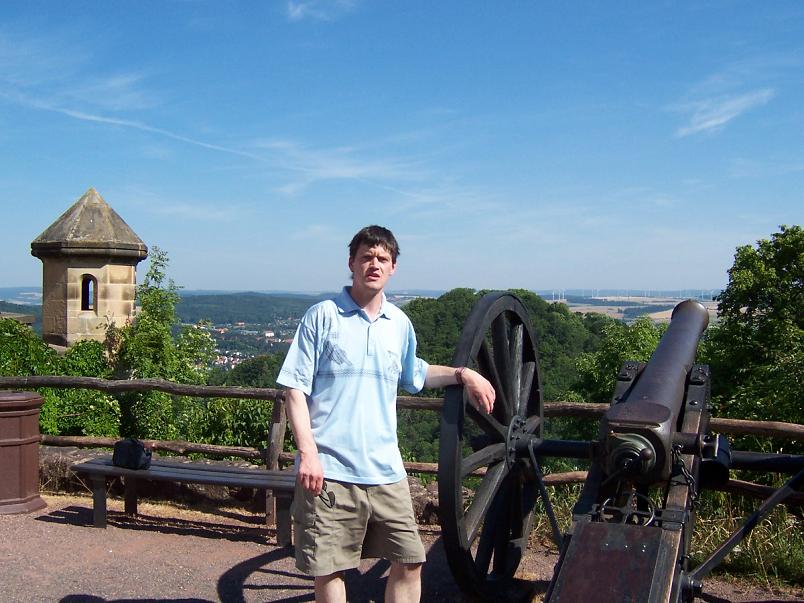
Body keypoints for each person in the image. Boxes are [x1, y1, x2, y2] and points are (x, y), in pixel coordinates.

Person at [277, 225, 495, 603]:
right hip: (329, 471)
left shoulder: (400, 325)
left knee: (410, 561)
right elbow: (295, 388)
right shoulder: (322, 316)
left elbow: (416, 374)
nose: (374, 264)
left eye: (382, 258)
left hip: (385, 471)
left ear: (393, 267)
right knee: (330, 569)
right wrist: (308, 453)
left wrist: (463, 374)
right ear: (351, 263)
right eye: (366, 257)